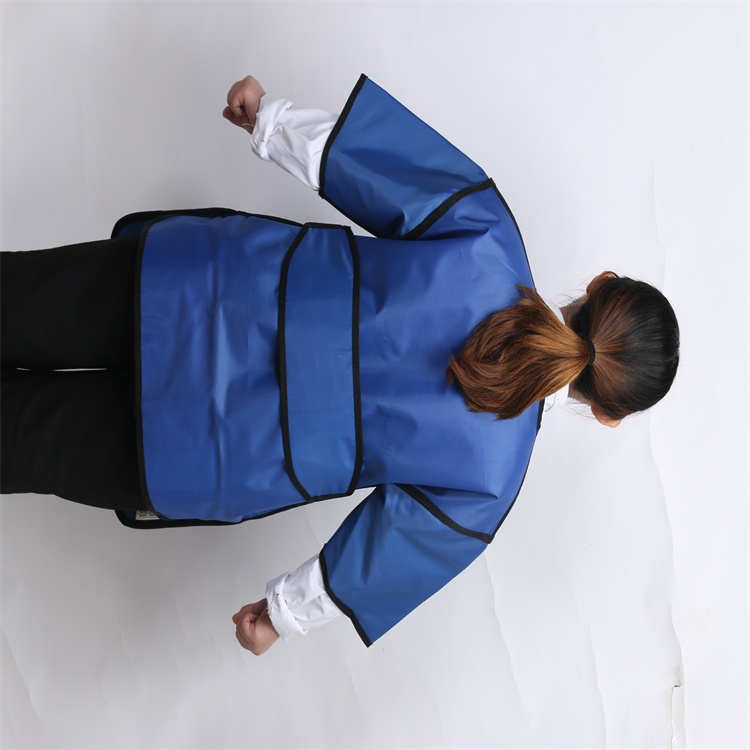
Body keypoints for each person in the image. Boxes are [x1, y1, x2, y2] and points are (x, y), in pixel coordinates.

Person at [0, 75, 680, 656]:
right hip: (202, 452)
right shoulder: (490, 486)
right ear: (608, 413)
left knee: (16, 305)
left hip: (197, 285)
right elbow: (378, 557)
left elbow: (362, 164)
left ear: (600, 284)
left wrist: (267, 119)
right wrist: (278, 617)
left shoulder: (488, 232)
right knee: (18, 441)